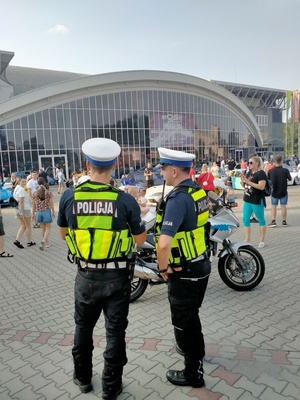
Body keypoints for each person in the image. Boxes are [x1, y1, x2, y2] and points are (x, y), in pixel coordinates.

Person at [57, 138, 146, 399]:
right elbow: (140, 240)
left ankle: (83, 378)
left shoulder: (69, 196)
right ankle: (111, 386)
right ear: (115, 165)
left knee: (83, 328)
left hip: (85, 276)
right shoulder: (124, 200)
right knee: (115, 332)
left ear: (87, 164)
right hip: (117, 278)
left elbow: (63, 235)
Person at [155, 147, 211, 389]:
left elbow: (164, 243)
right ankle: (196, 351)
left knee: (185, 323)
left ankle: (193, 373)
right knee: (192, 317)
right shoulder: (198, 191)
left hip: (184, 271)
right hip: (201, 264)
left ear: (175, 170)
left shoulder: (178, 199)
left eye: (164, 168)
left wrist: (163, 268)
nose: (162, 172)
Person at [240, 155, 267, 249]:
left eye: (251, 163)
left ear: (257, 163)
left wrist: (248, 182)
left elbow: (261, 186)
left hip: (257, 200)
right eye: (248, 162)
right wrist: (243, 182)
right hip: (247, 199)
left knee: (261, 219)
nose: (249, 164)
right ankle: (247, 240)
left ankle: (262, 241)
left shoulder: (261, 173)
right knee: (245, 219)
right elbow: (246, 186)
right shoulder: (249, 172)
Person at [268, 154, 292, 227]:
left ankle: (273, 221)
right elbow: (290, 179)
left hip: (274, 191)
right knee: (283, 206)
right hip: (283, 191)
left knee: (273, 206)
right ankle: (284, 221)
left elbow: (268, 179)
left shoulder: (271, 171)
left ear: (274, 161)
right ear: (281, 161)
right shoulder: (285, 170)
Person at [32, 177, 55, 250]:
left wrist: (33, 213)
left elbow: (33, 204)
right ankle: (44, 240)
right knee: (48, 228)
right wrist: (53, 211)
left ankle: (46, 243)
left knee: (43, 228)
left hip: (38, 212)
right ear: (44, 182)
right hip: (46, 211)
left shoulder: (35, 193)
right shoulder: (48, 192)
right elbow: (51, 202)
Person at [13, 177, 36, 249]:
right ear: (19, 181)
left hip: (17, 209)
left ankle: (17, 240)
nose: (24, 183)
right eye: (22, 181)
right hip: (24, 210)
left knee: (23, 226)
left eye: (25, 181)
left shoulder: (16, 189)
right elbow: (21, 202)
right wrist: (22, 213)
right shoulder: (21, 190)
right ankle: (29, 241)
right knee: (28, 226)